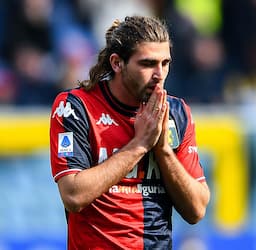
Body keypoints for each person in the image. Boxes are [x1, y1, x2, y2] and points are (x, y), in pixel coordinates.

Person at [49, 16, 210, 249]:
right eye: (147, 64)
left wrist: (163, 150)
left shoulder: (177, 113)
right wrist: (140, 144)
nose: (159, 74)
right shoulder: (75, 107)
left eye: (165, 63)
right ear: (117, 63)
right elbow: (74, 195)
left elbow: (197, 209)